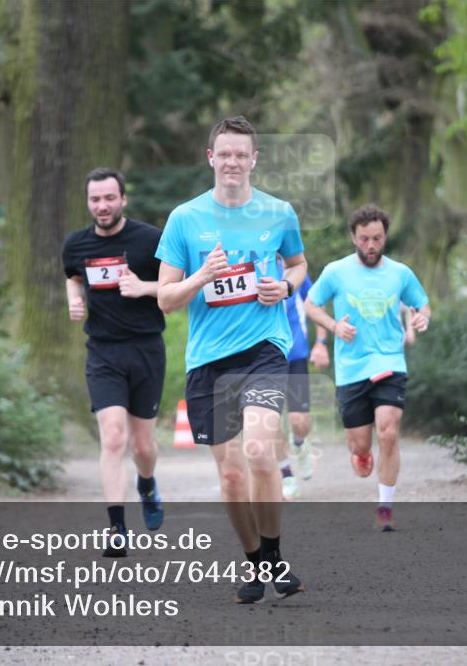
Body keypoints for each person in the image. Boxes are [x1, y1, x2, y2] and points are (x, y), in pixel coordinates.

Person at [156, 116, 308, 603]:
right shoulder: (185, 219)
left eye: (241, 154)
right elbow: (165, 298)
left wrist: (284, 286)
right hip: (209, 362)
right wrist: (202, 276)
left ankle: (275, 557)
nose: (233, 163)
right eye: (225, 154)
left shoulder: (279, 212)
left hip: (264, 351)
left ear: (254, 159)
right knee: (231, 473)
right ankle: (256, 563)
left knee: (261, 451)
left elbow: (300, 264)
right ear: (210, 158)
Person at [304, 203, 431, 532]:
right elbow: (310, 304)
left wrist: (422, 317)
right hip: (351, 369)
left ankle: (385, 508)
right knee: (360, 446)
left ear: (385, 236)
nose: (370, 246)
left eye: (376, 238)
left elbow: (422, 303)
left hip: (390, 361)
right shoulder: (336, 272)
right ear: (353, 237)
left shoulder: (401, 273)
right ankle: (360, 454)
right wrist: (333, 327)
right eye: (364, 239)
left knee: (388, 432)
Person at [62, 168, 165, 557]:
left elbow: (178, 283)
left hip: (146, 349)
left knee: (142, 446)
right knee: (113, 436)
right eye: (95, 200)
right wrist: (74, 297)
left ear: (123, 199)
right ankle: (117, 528)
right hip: (103, 351)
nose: (102, 206)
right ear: (88, 202)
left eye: (109, 198)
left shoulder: (150, 240)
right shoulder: (76, 244)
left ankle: (148, 482)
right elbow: (73, 275)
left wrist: (144, 287)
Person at [276, 271, 330, 501]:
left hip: (295, 356)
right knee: (268, 422)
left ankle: (298, 443)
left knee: (300, 421)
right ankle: (286, 475)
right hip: (263, 358)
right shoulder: (250, 266)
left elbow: (317, 307)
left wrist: (320, 343)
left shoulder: (294, 271)